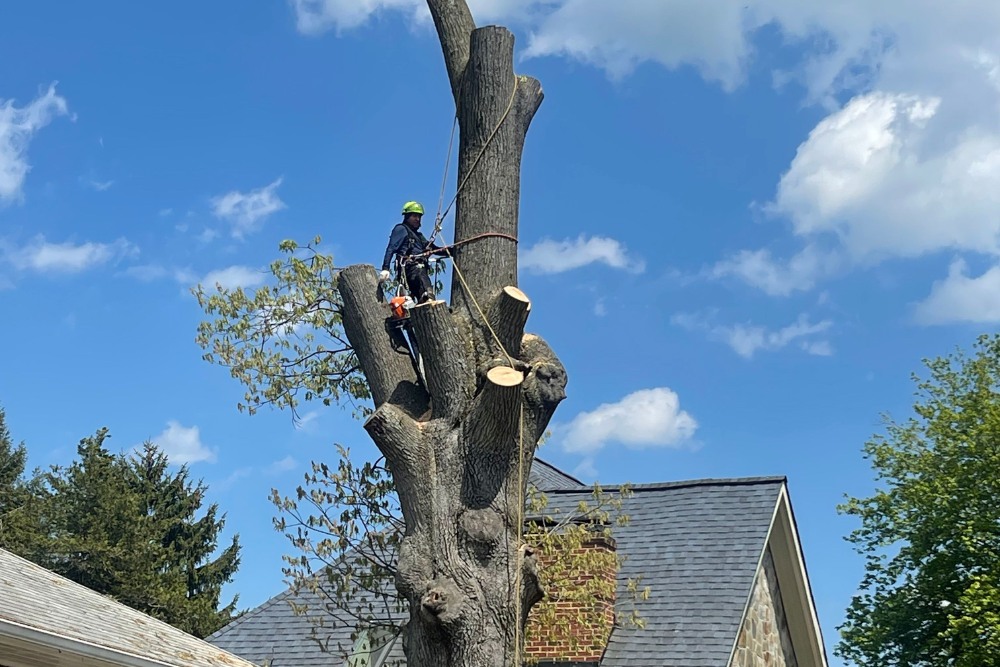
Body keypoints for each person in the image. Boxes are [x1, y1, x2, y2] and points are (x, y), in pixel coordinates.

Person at [380, 201, 448, 303]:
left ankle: (425, 302)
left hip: (418, 269)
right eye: (415, 216)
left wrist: (452, 251)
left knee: (421, 293)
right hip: (410, 268)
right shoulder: (401, 229)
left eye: (419, 217)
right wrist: (386, 268)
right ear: (407, 217)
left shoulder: (418, 236)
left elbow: (434, 248)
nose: (418, 219)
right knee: (423, 282)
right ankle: (428, 298)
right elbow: (391, 248)